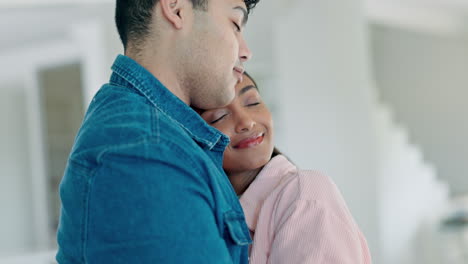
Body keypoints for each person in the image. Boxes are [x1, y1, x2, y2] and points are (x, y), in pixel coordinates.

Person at [56, 0, 260, 263]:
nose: (246, 52)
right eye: (235, 24)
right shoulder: (146, 152)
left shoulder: (153, 140)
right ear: (175, 9)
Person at [200, 72, 372, 264]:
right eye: (219, 117)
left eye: (253, 102)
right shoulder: (211, 214)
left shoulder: (304, 193)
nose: (247, 122)